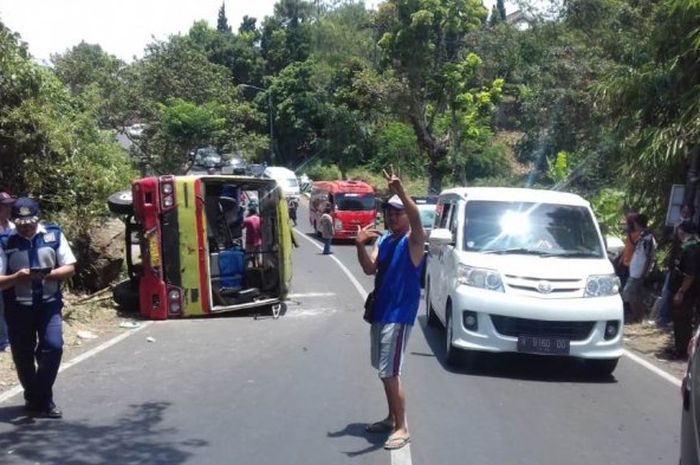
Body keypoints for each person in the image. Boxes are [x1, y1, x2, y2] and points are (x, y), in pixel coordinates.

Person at [355, 166, 426, 451]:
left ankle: (402, 427)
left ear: (407, 216)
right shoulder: (384, 240)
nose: (394, 217)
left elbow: (419, 221)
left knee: (390, 371)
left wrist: (400, 191)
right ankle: (390, 417)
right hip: (381, 313)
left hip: (398, 316)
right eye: (391, 212)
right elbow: (369, 268)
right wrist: (360, 245)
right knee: (384, 370)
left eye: (399, 212)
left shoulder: (414, 241)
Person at [0, 197, 76, 418]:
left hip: (49, 304)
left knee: (53, 347)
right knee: (23, 355)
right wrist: (17, 276)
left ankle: (40, 397)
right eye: (21, 224)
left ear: (38, 218)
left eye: (30, 223)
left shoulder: (54, 234)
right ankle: (41, 400)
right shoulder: (5, 241)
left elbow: (70, 268)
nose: (26, 228)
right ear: (14, 221)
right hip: (18, 308)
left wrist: (47, 274)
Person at [657, 204, 696, 328]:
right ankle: (665, 318)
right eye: (683, 211)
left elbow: (690, 272)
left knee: (673, 294)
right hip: (674, 267)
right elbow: (674, 250)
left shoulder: (691, 239)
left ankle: (667, 319)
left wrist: (681, 290)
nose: (684, 214)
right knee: (667, 292)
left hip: (683, 272)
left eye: (687, 212)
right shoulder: (677, 226)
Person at [669, 220, 700, 358]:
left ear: (682, 231)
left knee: (682, 320)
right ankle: (681, 347)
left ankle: (681, 350)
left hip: (687, 291)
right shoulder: (693, 246)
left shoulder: (689, 248)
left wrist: (681, 292)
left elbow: (690, 274)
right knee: (684, 320)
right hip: (690, 290)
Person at [621, 212, 655, 322]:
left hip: (638, 272)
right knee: (635, 295)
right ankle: (638, 317)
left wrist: (645, 272)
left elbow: (649, 257)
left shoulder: (648, 239)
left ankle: (637, 317)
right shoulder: (642, 237)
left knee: (629, 294)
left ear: (637, 223)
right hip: (634, 270)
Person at [0, 191, 16, 353]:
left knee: (8, 306)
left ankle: (11, 337)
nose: (10, 209)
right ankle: (3, 341)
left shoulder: (12, 226)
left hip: (10, 272)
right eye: (6, 206)